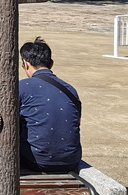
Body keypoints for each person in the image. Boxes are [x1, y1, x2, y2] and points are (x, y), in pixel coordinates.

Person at [19, 37, 82, 173]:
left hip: (35, 161)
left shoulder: (21, 87)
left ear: (26, 63)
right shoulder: (71, 90)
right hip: (71, 160)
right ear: (51, 63)